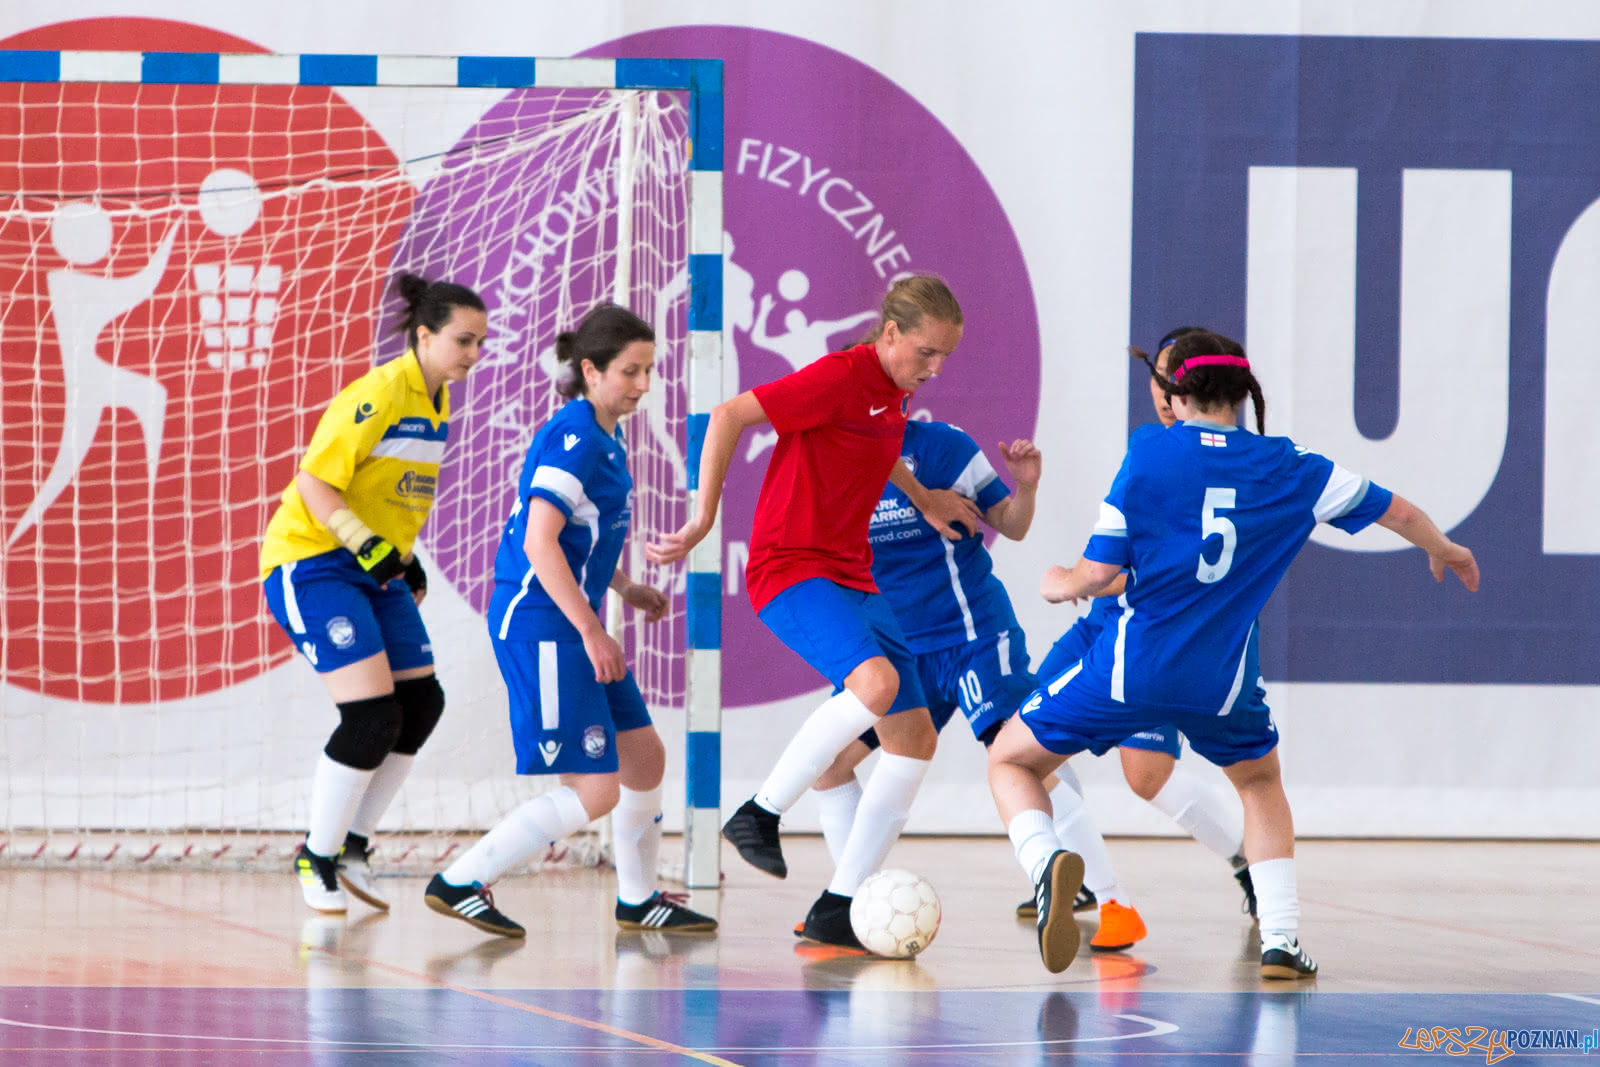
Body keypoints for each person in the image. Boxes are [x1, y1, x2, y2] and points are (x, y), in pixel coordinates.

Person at [990, 329, 1478, 978]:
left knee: (1010, 758)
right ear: (1241, 393)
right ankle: (1281, 939)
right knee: (1259, 783)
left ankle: (1046, 861)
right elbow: (1400, 512)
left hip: (1132, 667)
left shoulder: (1150, 452)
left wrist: (1060, 581)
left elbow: (1097, 572)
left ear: (1176, 394)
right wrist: (1445, 548)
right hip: (1221, 679)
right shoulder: (1292, 466)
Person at [648, 275, 964, 948]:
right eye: (928, 352)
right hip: (791, 565)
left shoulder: (894, 387)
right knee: (876, 684)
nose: (936, 368)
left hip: (851, 571)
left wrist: (923, 497)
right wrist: (703, 518)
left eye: (945, 356)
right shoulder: (838, 376)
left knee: (914, 736)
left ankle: (839, 906)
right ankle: (759, 812)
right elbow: (729, 415)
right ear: (891, 334)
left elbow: (877, 441)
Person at [422, 304, 715, 938]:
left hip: (569, 617)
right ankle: (460, 880)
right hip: (543, 625)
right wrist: (591, 630)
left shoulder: (606, 436)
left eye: (649, 371)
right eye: (630, 371)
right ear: (590, 370)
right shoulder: (574, 437)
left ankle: (638, 900)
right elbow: (539, 541)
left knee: (644, 757)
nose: (643, 384)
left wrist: (625, 586)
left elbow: (579, 538)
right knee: (597, 791)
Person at [1016, 328, 1258, 930]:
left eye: (1176, 378)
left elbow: (1169, 571)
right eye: (1159, 376)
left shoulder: (1232, 460)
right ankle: (1088, 885)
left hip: (1160, 636)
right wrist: (1092, 579)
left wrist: (1077, 579)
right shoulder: (1151, 445)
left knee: (1146, 777)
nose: (1165, 389)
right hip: (1103, 624)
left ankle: (1246, 863)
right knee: (1021, 741)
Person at [261, 273, 487, 913]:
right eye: (463, 340)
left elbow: (392, 495)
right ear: (423, 336)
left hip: (374, 566)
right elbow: (315, 483)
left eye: (480, 342)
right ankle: (316, 856)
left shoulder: (437, 401)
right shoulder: (380, 392)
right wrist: (367, 546)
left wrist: (406, 563)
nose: (474, 354)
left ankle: (353, 844)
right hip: (313, 562)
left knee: (421, 704)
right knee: (371, 716)